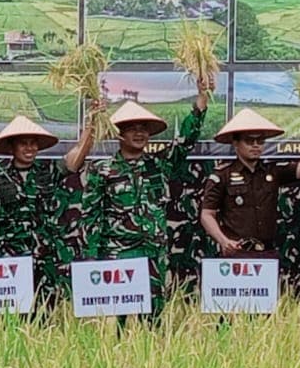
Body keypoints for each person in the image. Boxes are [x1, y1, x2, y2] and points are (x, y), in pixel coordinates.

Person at [80, 82, 211, 327]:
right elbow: (91, 215)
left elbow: (185, 141)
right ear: (119, 133)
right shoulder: (102, 170)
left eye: (144, 129)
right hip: (116, 255)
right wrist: (90, 258)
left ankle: (150, 365)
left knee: (153, 323)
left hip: (152, 254)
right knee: (114, 325)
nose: (139, 134)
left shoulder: (159, 164)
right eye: (132, 129)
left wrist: (201, 100)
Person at [0, 103, 100, 309]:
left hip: (45, 259)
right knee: (12, 317)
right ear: (12, 147)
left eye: (33, 143)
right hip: (11, 260)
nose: (29, 148)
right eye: (23, 143)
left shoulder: (49, 171)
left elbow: (77, 155)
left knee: (45, 317)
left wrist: (93, 121)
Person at [201, 108, 300, 259]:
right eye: (249, 141)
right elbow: (207, 214)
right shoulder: (222, 175)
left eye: (260, 141)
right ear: (236, 143)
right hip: (236, 252)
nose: (256, 145)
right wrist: (223, 241)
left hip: (267, 253)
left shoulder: (272, 171)